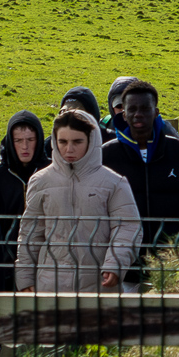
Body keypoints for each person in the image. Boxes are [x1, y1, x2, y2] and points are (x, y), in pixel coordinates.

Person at [16, 109, 139, 292]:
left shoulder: (114, 183)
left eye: (77, 141)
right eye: (63, 142)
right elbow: (30, 233)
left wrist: (116, 263)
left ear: (92, 140)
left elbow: (127, 227)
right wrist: (25, 278)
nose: (69, 149)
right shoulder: (40, 181)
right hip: (50, 287)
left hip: (99, 287)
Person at [103, 78, 179, 257]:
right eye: (132, 109)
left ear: (156, 112)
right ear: (123, 115)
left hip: (173, 262)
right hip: (121, 264)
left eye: (145, 108)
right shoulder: (107, 156)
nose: (138, 114)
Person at [0, 111, 48, 290]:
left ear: (39, 139)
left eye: (30, 140)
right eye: (18, 140)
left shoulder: (51, 172)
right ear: (11, 141)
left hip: (44, 261)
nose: (24, 146)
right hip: (4, 263)